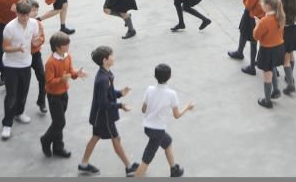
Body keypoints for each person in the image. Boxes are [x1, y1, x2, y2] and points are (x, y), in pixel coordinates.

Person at [78, 46, 139, 176]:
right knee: (116, 139)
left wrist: (120, 93)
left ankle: (84, 164)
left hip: (98, 116)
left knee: (96, 137)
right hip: (104, 117)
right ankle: (129, 168)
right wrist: (120, 105)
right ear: (105, 60)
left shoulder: (105, 73)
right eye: (112, 55)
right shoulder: (103, 79)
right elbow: (104, 103)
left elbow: (108, 94)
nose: (114, 57)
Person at [133, 63, 193, 178]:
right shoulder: (171, 94)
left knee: (168, 142)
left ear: (155, 76)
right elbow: (177, 115)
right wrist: (187, 107)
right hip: (158, 130)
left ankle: (174, 169)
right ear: (170, 77)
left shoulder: (149, 89)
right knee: (147, 159)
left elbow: (143, 109)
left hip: (147, 127)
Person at [40, 31, 87, 159]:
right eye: (66, 44)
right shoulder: (50, 63)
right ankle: (45, 140)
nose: (68, 46)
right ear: (57, 47)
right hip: (54, 96)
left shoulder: (67, 56)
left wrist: (77, 73)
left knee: (57, 122)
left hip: (64, 93)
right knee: (59, 122)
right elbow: (49, 82)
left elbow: (70, 71)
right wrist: (61, 79)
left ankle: (57, 147)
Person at [0, 1, 43, 140]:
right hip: (11, 65)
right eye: (22, 15)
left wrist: (37, 42)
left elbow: (36, 40)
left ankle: (20, 112)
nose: (25, 17)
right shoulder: (9, 27)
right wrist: (17, 49)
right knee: (11, 95)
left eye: (27, 14)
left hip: (26, 63)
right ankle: (7, 123)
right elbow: (5, 48)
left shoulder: (34, 24)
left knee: (23, 91)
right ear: (17, 13)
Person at [252, 0, 286, 109]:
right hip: (278, 47)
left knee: (267, 74)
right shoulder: (280, 16)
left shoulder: (265, 21)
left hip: (267, 49)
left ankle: (267, 101)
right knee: (273, 68)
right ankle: (276, 90)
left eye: (262, 3)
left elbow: (256, 36)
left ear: (267, 6)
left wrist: (257, 25)